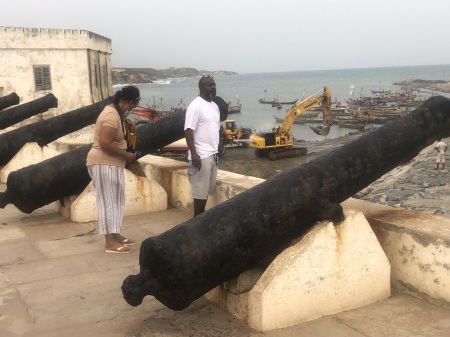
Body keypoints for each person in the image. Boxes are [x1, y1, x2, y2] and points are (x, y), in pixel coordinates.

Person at [86, 85, 140, 253]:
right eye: (135, 105)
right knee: (107, 202)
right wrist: (126, 155)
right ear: (130, 102)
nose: (133, 109)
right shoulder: (110, 115)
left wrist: (126, 122)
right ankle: (110, 242)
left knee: (116, 201)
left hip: (112, 164)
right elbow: (104, 142)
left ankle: (115, 235)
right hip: (104, 163)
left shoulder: (116, 114)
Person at [184, 75, 220, 217]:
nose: (213, 87)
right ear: (201, 87)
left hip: (213, 154)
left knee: (206, 191)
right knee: (200, 193)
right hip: (201, 155)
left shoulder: (214, 106)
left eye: (214, 84)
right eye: (209, 85)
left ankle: (200, 219)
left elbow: (214, 128)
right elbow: (188, 130)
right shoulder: (195, 106)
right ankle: (196, 222)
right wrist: (194, 154)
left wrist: (219, 144)